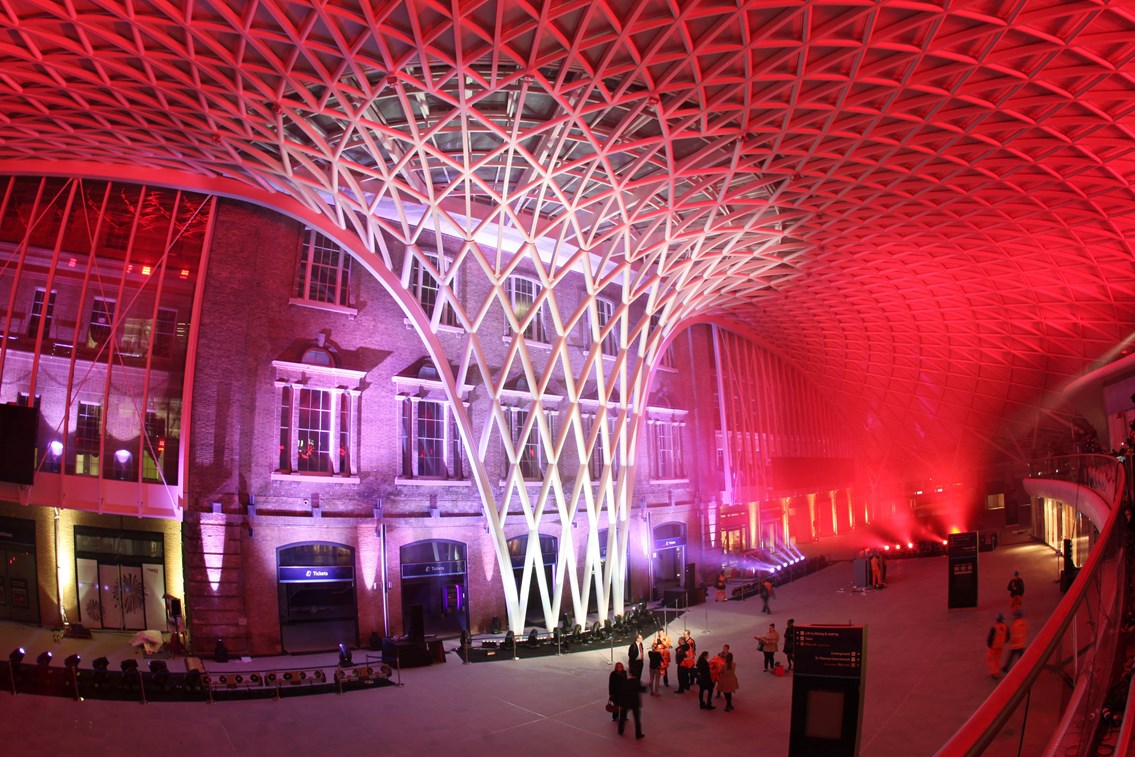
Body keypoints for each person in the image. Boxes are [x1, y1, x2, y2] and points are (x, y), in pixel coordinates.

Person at [615, 667, 645, 739]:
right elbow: (642, 689)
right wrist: (647, 685)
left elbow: (620, 693)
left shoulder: (625, 682)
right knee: (637, 719)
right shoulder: (637, 682)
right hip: (634, 703)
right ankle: (638, 734)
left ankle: (620, 730)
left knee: (622, 717)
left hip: (625, 702)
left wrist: (619, 703)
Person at [986, 613, 1009, 680]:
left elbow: (990, 637)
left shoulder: (994, 627)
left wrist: (989, 644)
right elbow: (1007, 637)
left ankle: (994, 673)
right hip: (1000, 646)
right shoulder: (1005, 627)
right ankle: (997, 672)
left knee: (989, 659)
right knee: (997, 660)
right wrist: (1002, 642)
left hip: (993, 646)